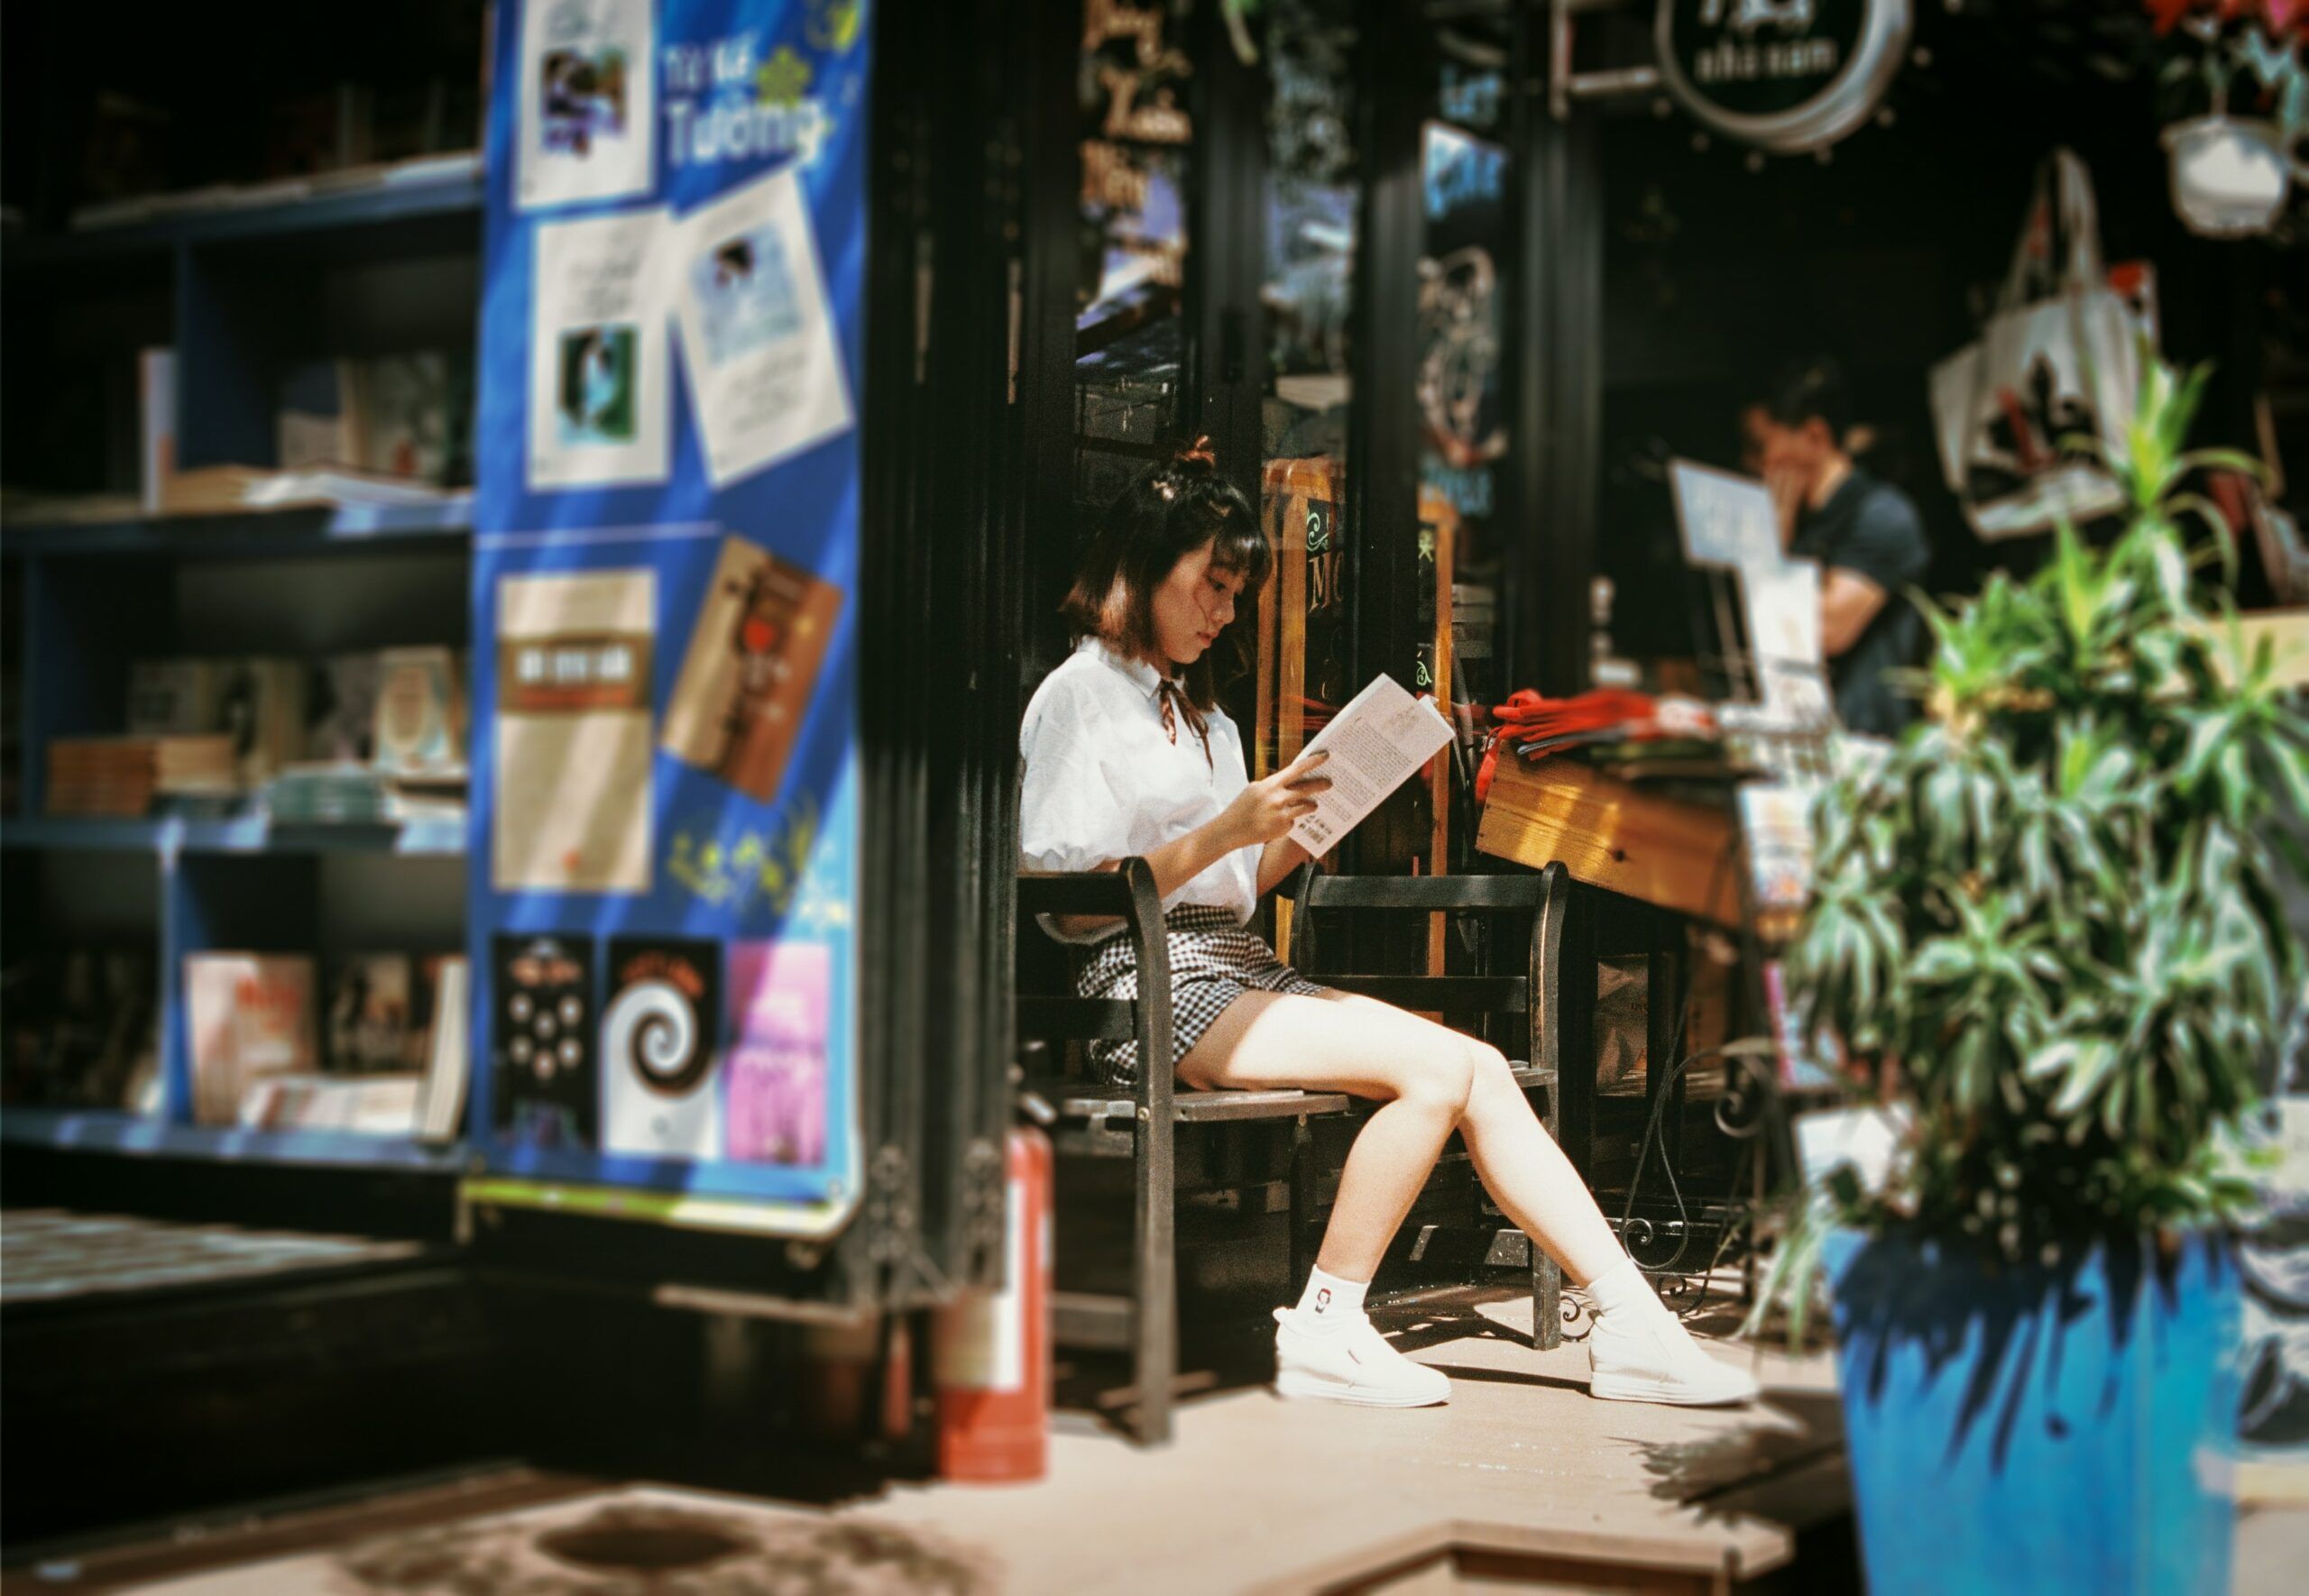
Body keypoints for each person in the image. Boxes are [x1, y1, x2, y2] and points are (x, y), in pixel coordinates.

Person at [1017, 438, 1760, 1410]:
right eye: (1212, 584)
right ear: (1142, 571)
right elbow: (1070, 896)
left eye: (1238, 591)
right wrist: (1226, 829)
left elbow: (1241, 880)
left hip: (1229, 961)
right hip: (1141, 977)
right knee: (1434, 1068)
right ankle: (1328, 1321)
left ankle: (1631, 1324)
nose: (1226, 611)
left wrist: (1318, 812)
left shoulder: (1205, 714)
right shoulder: (1080, 698)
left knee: (1480, 1068)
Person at [1739, 357, 1930, 738]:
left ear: (1813, 436)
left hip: (1869, 744)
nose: (1754, 463)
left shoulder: (1882, 515)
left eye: (1762, 447)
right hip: (1798, 732)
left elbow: (1823, 632)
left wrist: (1771, 547)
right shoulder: (1800, 519)